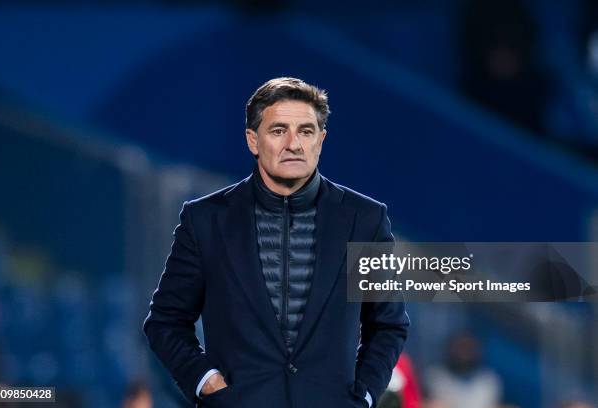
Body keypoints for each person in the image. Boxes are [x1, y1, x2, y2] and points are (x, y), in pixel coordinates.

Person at [143, 77, 409, 407]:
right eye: (279, 130)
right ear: (253, 141)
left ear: (321, 140)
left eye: (306, 131)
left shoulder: (364, 219)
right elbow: (165, 322)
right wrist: (206, 382)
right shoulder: (205, 220)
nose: (294, 144)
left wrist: (363, 395)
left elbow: (388, 325)